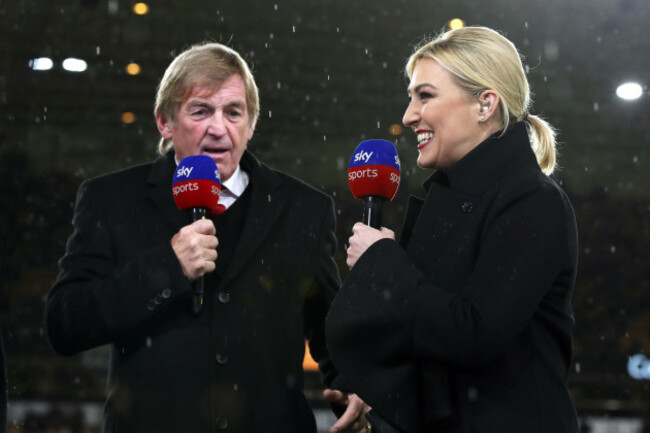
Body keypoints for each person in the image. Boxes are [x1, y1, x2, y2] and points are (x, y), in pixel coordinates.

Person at [45, 42, 363, 433]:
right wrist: (167, 268)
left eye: (233, 112)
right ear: (165, 122)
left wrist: (350, 384)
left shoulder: (304, 209)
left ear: (250, 125)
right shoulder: (111, 200)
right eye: (200, 110)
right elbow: (65, 323)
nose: (219, 127)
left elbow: (328, 329)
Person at [325, 26, 580, 433]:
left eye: (425, 96)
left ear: (485, 104)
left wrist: (383, 264)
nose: (408, 116)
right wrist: (378, 392)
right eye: (411, 98)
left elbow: (474, 334)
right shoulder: (447, 199)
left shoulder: (533, 200)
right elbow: (429, 338)